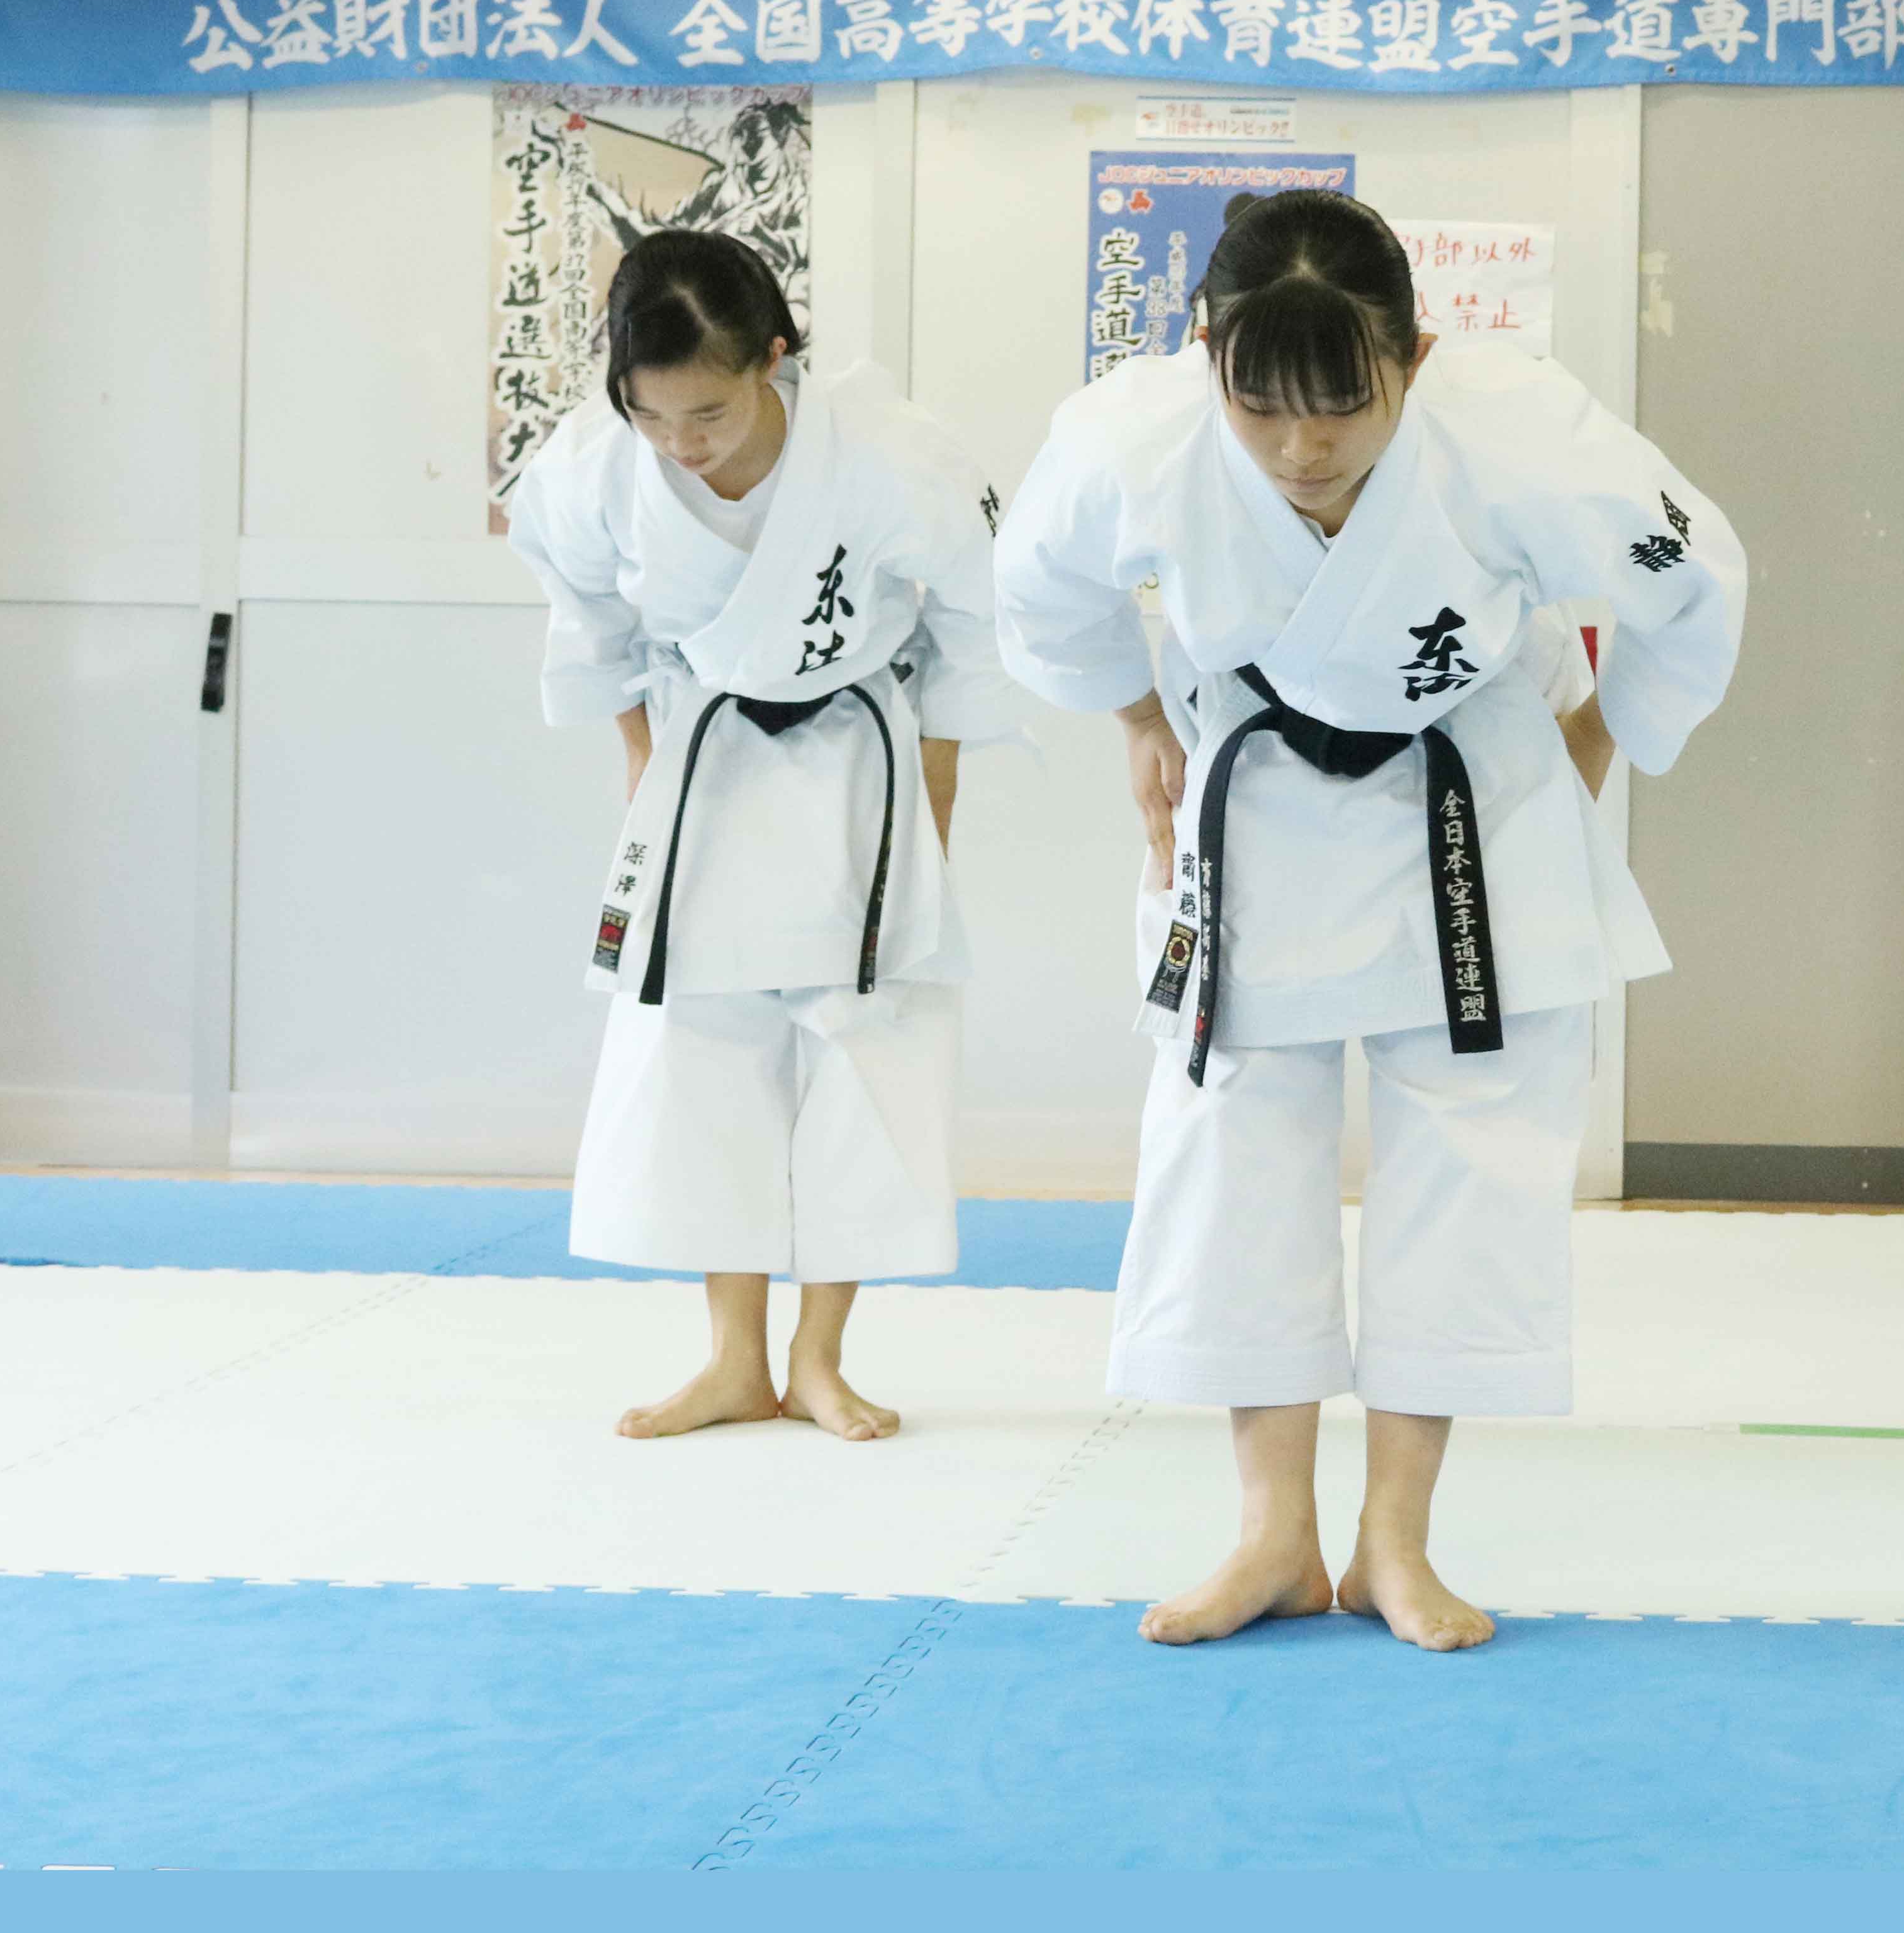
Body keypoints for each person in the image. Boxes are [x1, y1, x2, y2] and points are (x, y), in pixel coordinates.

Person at [995, 190, 1746, 1651]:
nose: (1302, 447)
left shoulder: (1523, 433)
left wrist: (1597, 742)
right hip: (1254, 805)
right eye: (1261, 406)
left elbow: (1700, 576)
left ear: (1420, 349)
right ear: (1204, 350)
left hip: (1473, 801)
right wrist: (1136, 715)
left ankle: (1396, 1539)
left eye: (1345, 404)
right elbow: (1036, 592)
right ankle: (1272, 1530)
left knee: (1473, 1163)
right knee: (1231, 1151)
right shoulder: (1124, 441)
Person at [505, 230, 1016, 1443]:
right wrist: (645, 768)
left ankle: (821, 1358)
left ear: (776, 360)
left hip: (860, 761)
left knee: (864, 1056)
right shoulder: (591, 470)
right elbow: (586, 626)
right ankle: (733, 1358)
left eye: (713, 413)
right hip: (705, 763)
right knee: (702, 1054)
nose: (685, 443)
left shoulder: (894, 458)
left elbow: (971, 634)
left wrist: (932, 816)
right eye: (655, 415)